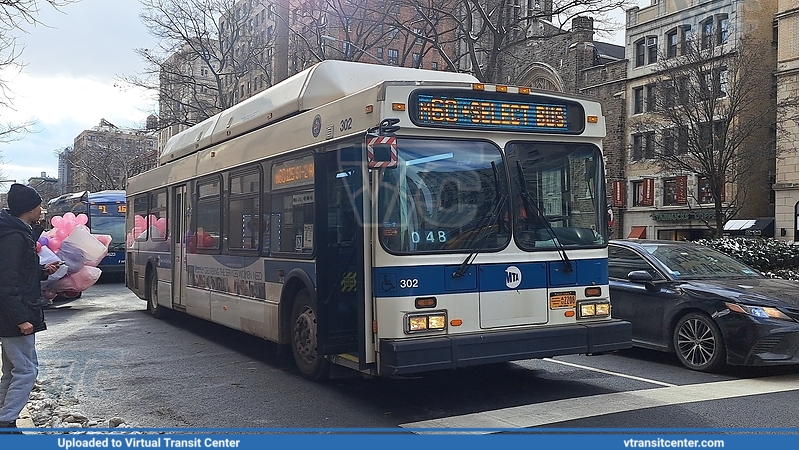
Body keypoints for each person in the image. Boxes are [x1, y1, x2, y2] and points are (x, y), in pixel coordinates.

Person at [0, 184, 60, 430]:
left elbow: (18, 272)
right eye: (39, 206)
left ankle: (4, 415)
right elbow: (7, 281)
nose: (41, 209)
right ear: (30, 208)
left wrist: (42, 271)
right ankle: (6, 421)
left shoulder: (15, 232)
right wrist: (21, 318)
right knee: (27, 371)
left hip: (12, 314)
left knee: (12, 371)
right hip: (15, 316)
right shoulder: (14, 237)